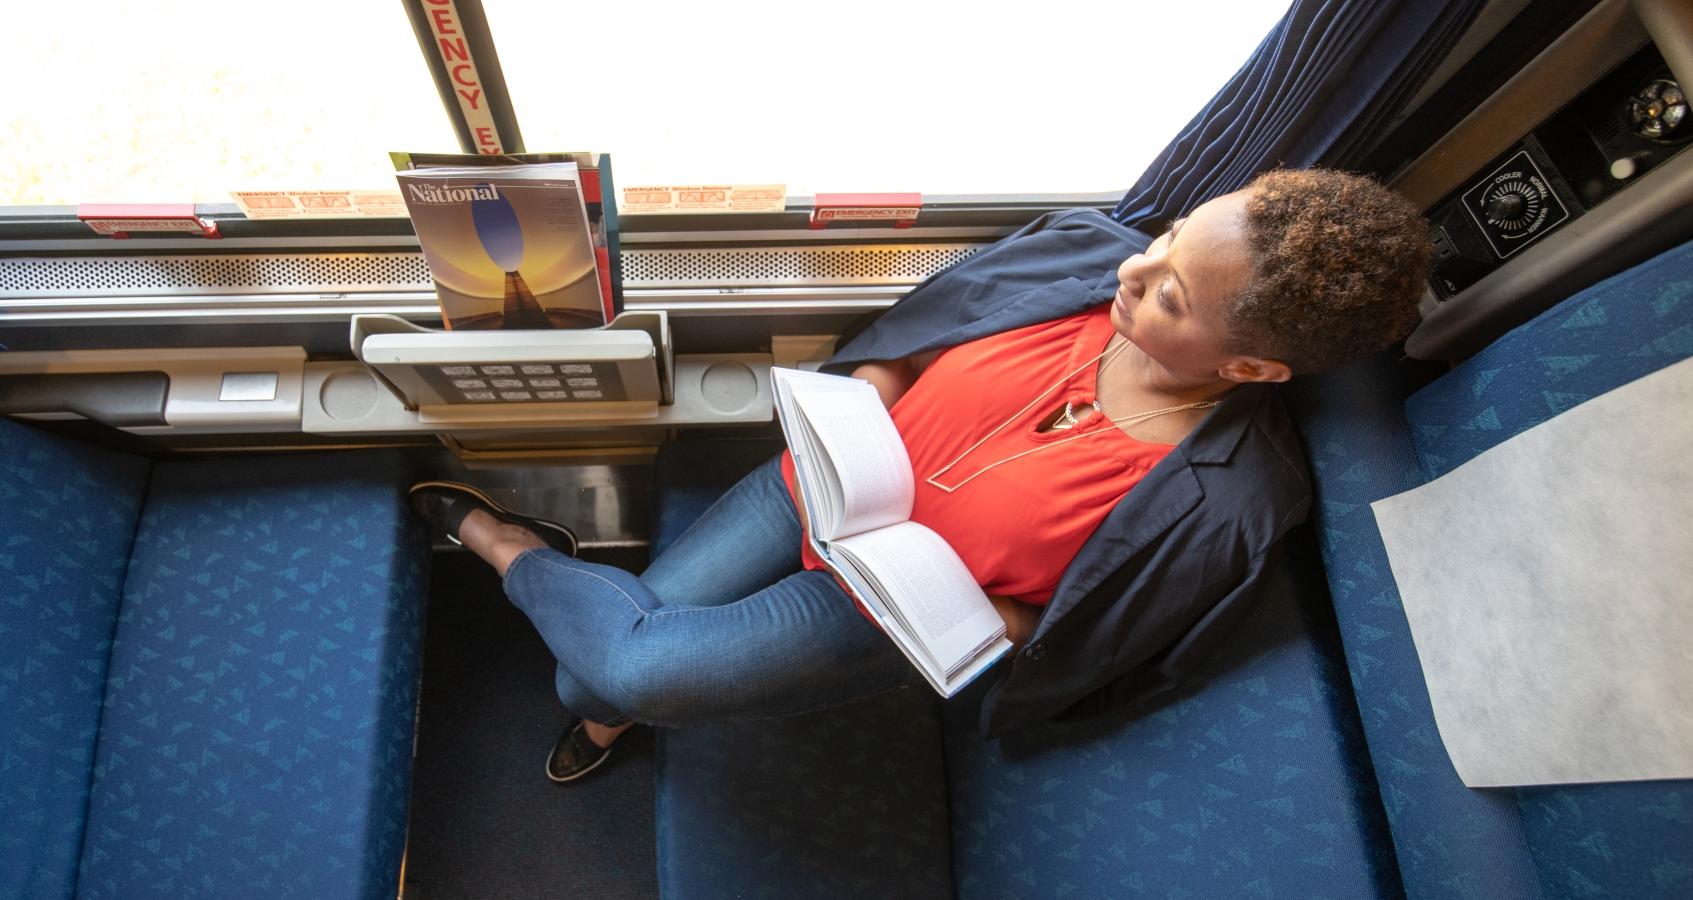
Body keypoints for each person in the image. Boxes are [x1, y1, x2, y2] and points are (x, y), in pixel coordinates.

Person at [412, 168, 1431, 783]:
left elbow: (1090, 632)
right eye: (1166, 240)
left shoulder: (1240, 503)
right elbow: (904, 341)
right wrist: (864, 398)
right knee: (595, 673)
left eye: (1170, 293)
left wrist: (973, 614)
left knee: (609, 670)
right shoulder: (1077, 252)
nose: (1131, 269)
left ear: (1248, 367)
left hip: (880, 609)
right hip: (813, 484)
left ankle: (512, 546)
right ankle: (584, 663)